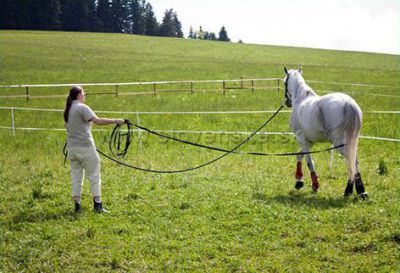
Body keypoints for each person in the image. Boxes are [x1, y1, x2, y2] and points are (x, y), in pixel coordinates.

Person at [63, 86, 125, 213]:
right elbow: (98, 121)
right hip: (85, 146)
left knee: (76, 176)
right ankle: (98, 205)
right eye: (83, 93)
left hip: (72, 148)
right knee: (94, 175)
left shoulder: (68, 110)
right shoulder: (82, 108)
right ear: (79, 95)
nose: (85, 96)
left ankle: (77, 205)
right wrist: (116, 121)